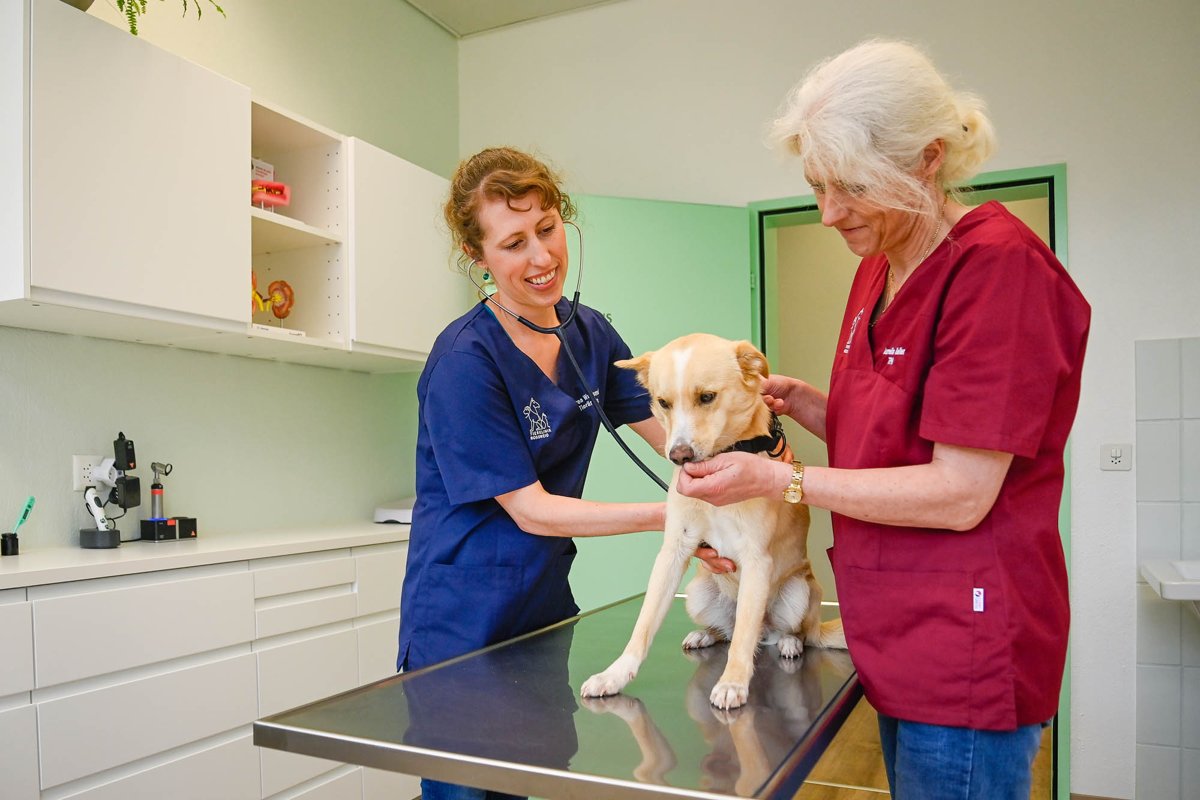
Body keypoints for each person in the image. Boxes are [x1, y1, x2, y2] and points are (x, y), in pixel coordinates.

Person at [678, 40, 1090, 800]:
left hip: (963, 640)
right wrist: (810, 409)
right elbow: (895, 439)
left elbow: (962, 490)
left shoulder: (998, 269)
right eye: (816, 187)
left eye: (851, 189)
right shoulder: (879, 263)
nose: (829, 213)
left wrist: (778, 477)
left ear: (927, 158)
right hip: (892, 631)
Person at [399, 147, 717, 800]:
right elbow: (533, 510)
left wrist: (742, 477)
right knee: (469, 789)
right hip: (461, 624)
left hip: (543, 612)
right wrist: (677, 519)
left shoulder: (590, 334)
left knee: (535, 776)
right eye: (513, 243)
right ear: (476, 255)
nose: (541, 258)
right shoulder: (465, 359)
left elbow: (675, 441)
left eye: (547, 228)